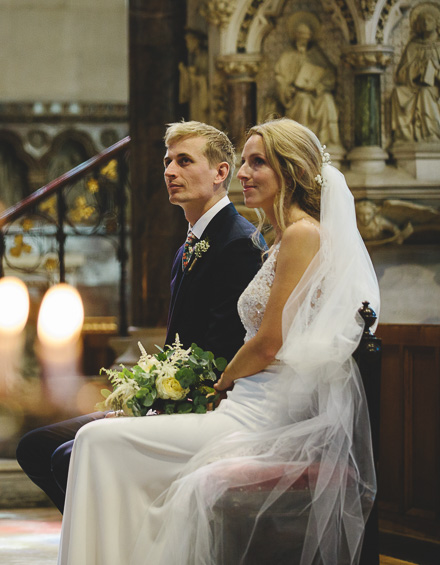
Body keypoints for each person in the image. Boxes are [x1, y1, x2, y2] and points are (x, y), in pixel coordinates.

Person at [57, 118, 380, 565]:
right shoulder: (282, 237)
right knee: (96, 442)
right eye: (244, 162)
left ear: (289, 170)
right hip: (244, 404)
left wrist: (222, 382)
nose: (243, 173)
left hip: (259, 416)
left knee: (96, 442)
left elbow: (269, 342)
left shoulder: (303, 235)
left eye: (257, 163)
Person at [16, 121, 263, 513]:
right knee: (34, 446)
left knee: (67, 455)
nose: (169, 171)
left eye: (184, 161)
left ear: (221, 173)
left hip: (204, 406)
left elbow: (221, 354)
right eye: (167, 161)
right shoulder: (188, 247)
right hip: (169, 397)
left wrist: (155, 404)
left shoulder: (238, 243)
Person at [274, 12, 341, 147]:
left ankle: (327, 143)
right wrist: (288, 89)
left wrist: (319, 86)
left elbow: (329, 75)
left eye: (306, 35)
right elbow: (280, 79)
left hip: (316, 93)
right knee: (303, 101)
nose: (303, 38)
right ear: (295, 35)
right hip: (296, 96)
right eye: (300, 34)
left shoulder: (316, 55)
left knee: (327, 100)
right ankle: (301, 143)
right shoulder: (287, 56)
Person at [390, 2, 440, 142]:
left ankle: (431, 133)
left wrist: (435, 72)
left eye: (429, 20)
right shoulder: (413, 46)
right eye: (421, 20)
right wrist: (416, 70)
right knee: (398, 93)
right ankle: (404, 137)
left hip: (435, 89)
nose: (425, 23)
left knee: (425, 92)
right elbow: (400, 75)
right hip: (414, 87)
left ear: (436, 23)